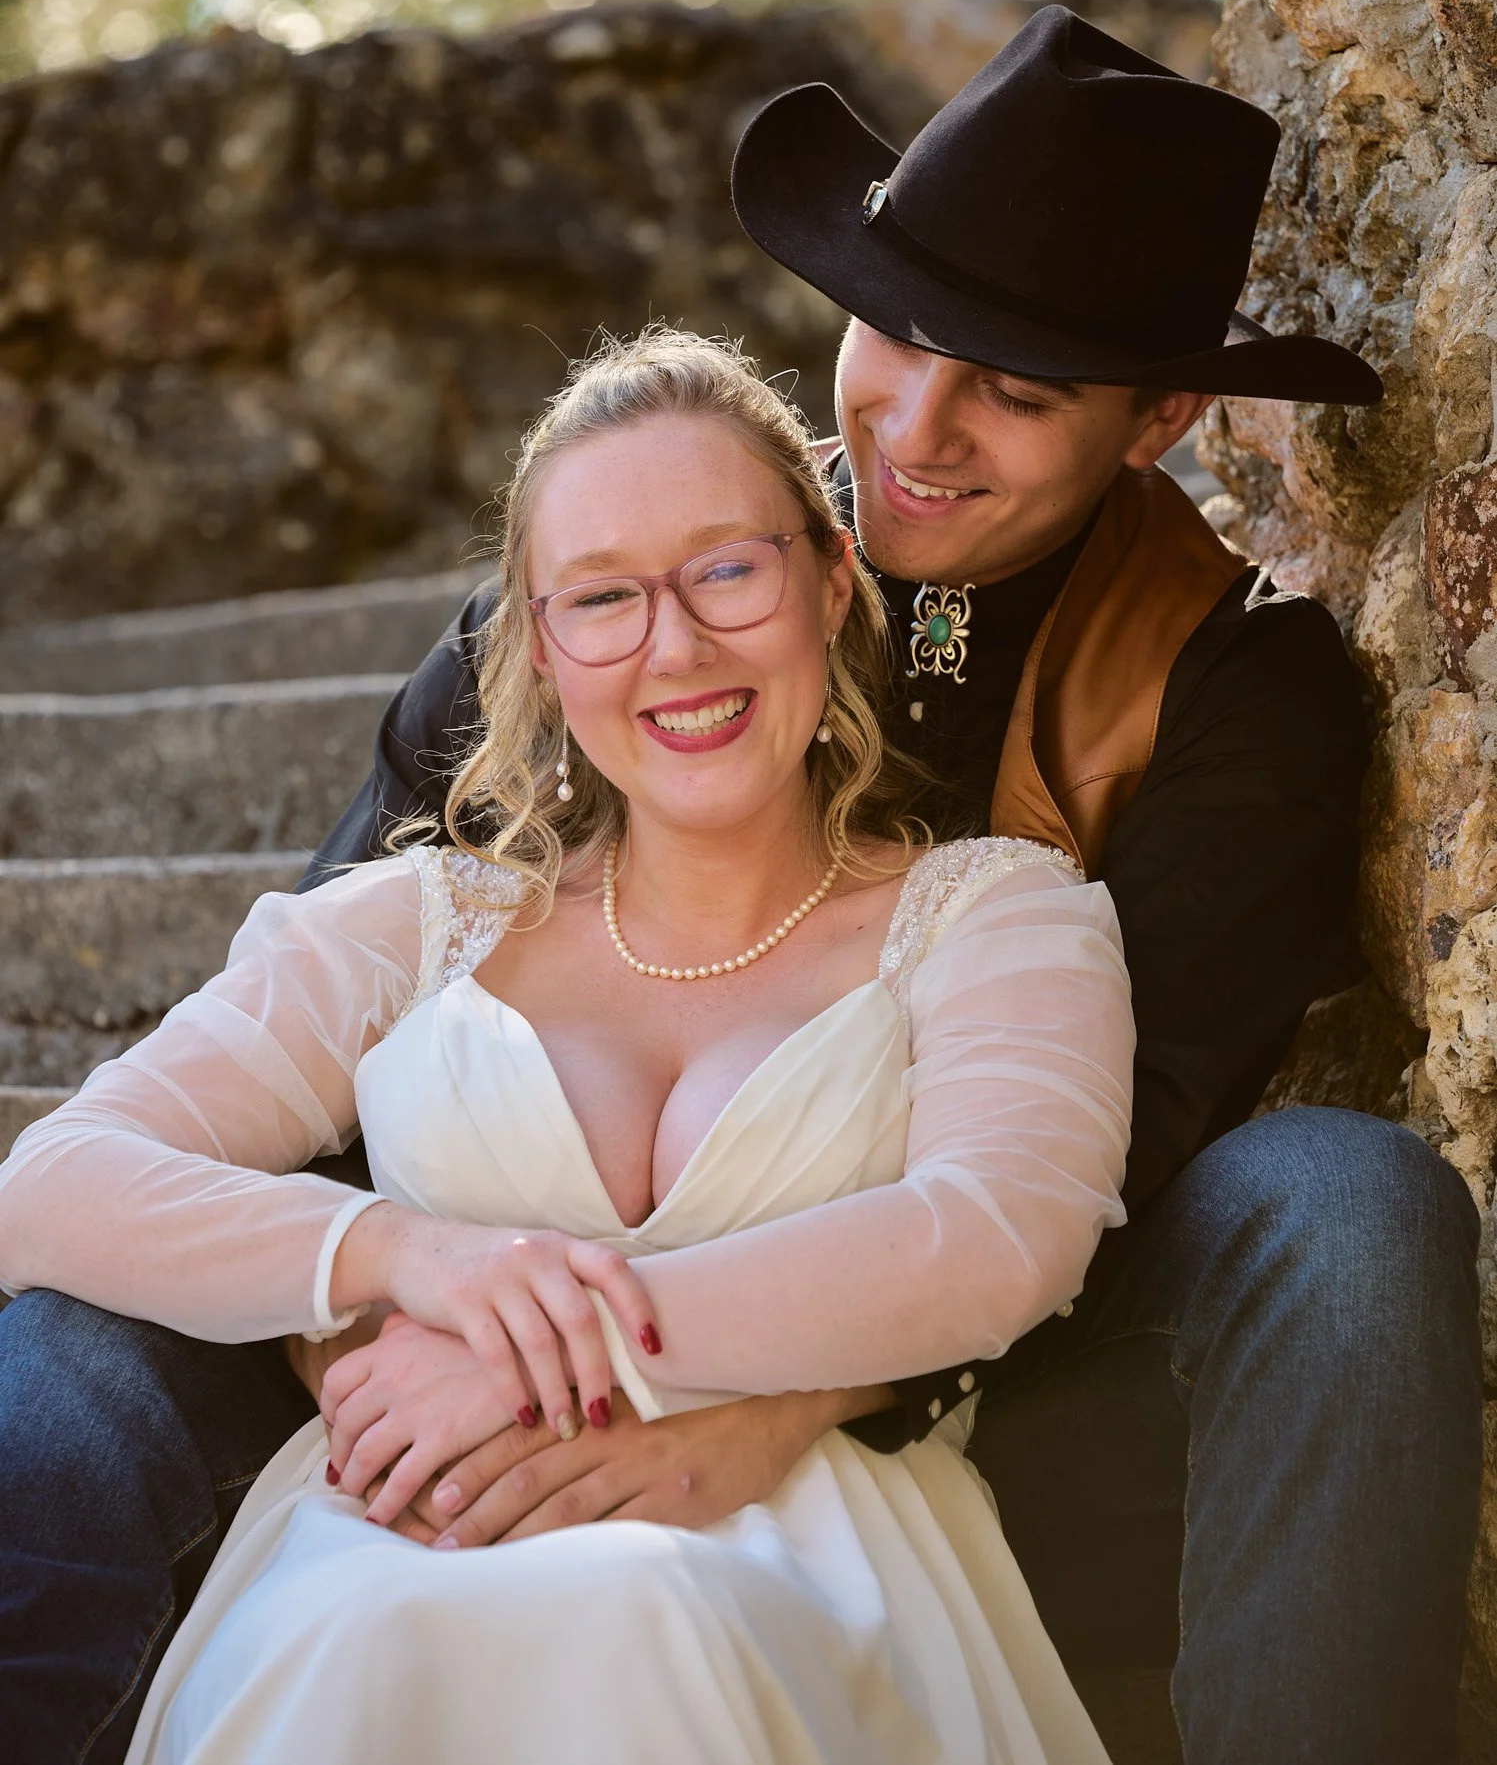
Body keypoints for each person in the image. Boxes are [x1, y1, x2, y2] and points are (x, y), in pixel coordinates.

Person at [0, 7, 1480, 1764]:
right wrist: (394, 1338)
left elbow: (1101, 1153)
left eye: (1017, 389)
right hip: (451, 1322)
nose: (921, 425)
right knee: (65, 1355)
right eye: (897, 336)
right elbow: (340, 1040)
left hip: (960, 1358)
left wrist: (741, 1400)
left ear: (1161, 416)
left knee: (1349, 1202)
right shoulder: (606, 586)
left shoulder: (1234, 686)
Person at [0, 329, 1137, 1762]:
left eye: (728, 567)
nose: (676, 645)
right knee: (359, 1645)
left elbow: (997, 1236)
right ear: (538, 643)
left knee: (647, 1614)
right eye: (603, 597)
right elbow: (51, 1182)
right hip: (397, 1550)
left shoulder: (995, 914)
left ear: (833, 578)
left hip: (790, 1553)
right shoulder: (417, 923)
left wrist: (564, 1351)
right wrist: (412, 1259)